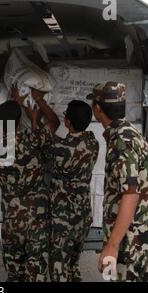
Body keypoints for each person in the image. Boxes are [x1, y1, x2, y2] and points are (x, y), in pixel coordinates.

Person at [89, 82, 148, 282]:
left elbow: (130, 194)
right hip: (133, 237)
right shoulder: (129, 133)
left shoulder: (122, 141)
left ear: (98, 109)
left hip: (130, 242)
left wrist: (112, 246)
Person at [0, 85, 60, 282]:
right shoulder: (33, 139)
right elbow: (54, 122)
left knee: (15, 272)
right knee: (36, 269)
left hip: (12, 218)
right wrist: (33, 113)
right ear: (19, 118)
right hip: (35, 217)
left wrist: (16, 107)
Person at [47, 100, 99, 282]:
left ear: (67, 121)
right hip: (83, 215)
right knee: (73, 265)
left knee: (59, 265)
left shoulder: (59, 149)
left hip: (64, 218)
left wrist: (37, 111)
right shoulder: (93, 142)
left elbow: (50, 131)